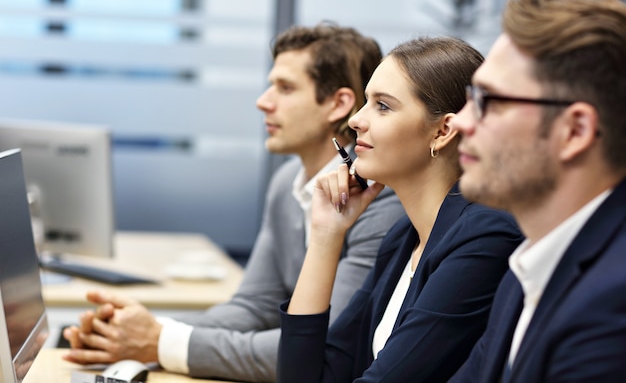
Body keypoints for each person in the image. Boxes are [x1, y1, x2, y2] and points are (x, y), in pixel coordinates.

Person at [61, 23, 405, 382]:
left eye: (285, 88)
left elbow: (323, 347)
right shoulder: (287, 182)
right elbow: (252, 307)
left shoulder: (378, 200)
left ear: (338, 104)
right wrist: (130, 332)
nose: (263, 101)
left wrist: (160, 341)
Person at [277, 36, 524, 383]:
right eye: (366, 102)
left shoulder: (484, 237)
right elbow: (306, 377)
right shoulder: (402, 239)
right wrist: (325, 236)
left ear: (443, 131)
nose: (355, 121)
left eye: (383, 106)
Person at [448, 0, 626, 383]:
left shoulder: (613, 305)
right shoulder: (527, 267)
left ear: (575, 130)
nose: (460, 121)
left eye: (488, 100)